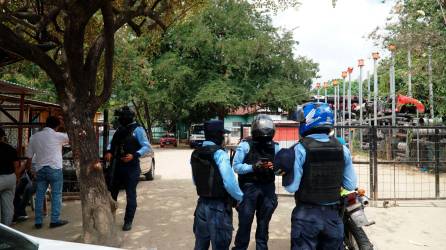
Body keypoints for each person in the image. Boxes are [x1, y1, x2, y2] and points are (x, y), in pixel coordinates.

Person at [274, 102, 357, 250]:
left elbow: (291, 187)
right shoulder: (342, 148)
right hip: (333, 217)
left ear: (309, 121)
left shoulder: (300, 148)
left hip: (307, 215)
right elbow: (350, 185)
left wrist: (285, 174)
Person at [191, 120, 243, 250]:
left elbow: (194, 181)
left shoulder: (195, 153)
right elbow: (229, 183)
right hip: (218, 208)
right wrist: (240, 197)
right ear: (218, 136)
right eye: (223, 135)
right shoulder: (220, 154)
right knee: (220, 246)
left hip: (201, 206)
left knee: (200, 245)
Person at [232, 114, 280, 250]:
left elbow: (280, 169)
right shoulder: (245, 145)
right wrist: (252, 167)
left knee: (264, 224)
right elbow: (236, 167)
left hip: (267, 188)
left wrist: (274, 167)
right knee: (245, 223)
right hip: (249, 188)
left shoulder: (275, 147)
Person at [104, 106, 151, 231]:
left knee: (130, 195)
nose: (121, 119)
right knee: (112, 193)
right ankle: (110, 218)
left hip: (131, 167)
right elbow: (111, 143)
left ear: (128, 117)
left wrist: (134, 155)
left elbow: (147, 146)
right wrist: (109, 151)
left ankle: (128, 221)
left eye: (122, 117)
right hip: (117, 166)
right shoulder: (120, 129)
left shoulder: (138, 129)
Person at [25, 116, 70, 229]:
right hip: (55, 169)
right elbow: (72, 137)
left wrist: (30, 170)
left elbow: (29, 157)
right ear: (57, 125)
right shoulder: (58, 136)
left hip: (40, 170)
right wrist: (64, 125)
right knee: (56, 195)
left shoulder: (34, 137)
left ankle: (38, 221)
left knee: (39, 195)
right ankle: (54, 220)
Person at [0, 127, 20, 226]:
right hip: (10, 177)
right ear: (3, 137)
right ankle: (5, 230)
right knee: (8, 207)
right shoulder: (11, 149)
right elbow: (16, 166)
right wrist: (17, 178)